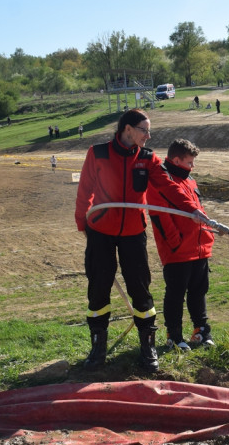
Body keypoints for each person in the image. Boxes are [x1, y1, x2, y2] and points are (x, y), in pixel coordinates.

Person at [74, 109, 214, 372]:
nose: (148, 136)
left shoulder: (149, 159)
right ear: (128, 129)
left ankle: (147, 347)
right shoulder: (98, 153)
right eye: (144, 130)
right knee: (98, 289)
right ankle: (98, 348)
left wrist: (192, 210)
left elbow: (168, 186)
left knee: (140, 290)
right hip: (101, 233)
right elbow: (85, 190)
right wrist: (83, 223)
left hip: (133, 234)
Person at [146, 139, 216, 353]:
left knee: (199, 291)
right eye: (189, 162)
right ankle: (174, 335)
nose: (192, 167)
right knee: (176, 294)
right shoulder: (161, 181)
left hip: (199, 247)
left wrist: (208, 234)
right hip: (177, 251)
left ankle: (201, 330)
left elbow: (198, 209)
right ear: (176, 160)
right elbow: (160, 217)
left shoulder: (189, 180)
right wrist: (175, 244)